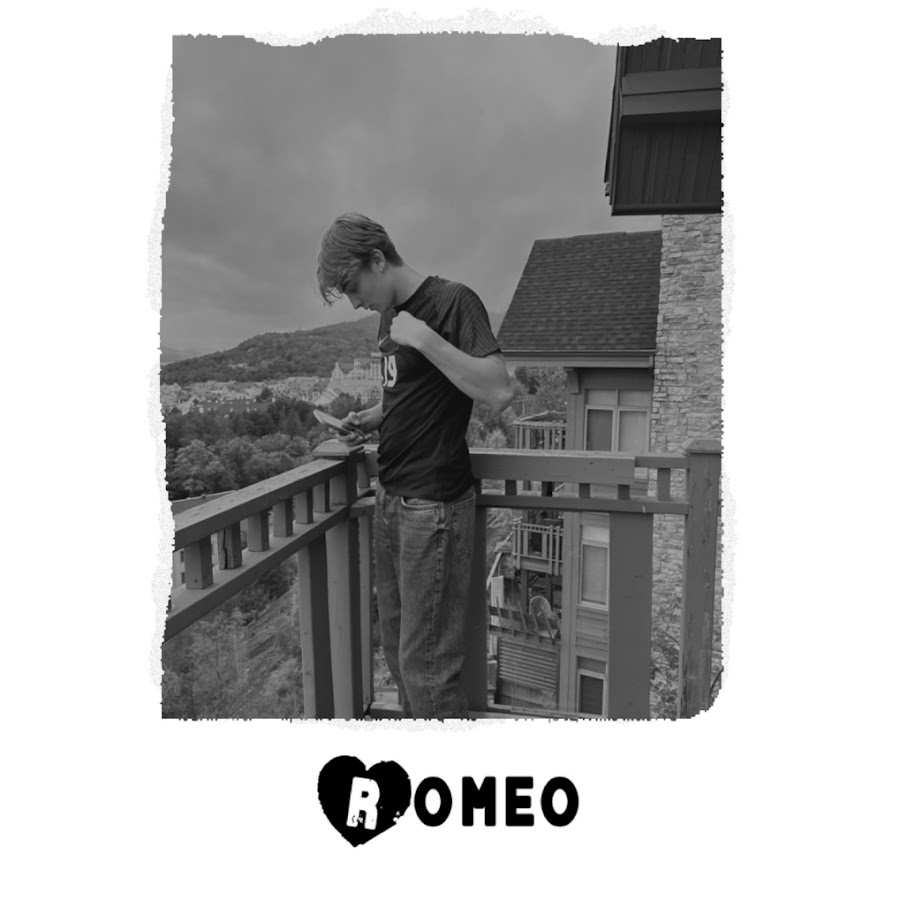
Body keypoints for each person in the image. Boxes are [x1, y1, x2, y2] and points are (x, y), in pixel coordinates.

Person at [316, 212, 514, 718]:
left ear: (377, 259)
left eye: (353, 287)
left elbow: (498, 389)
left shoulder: (453, 302)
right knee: (399, 654)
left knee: (427, 670)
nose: (355, 302)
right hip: (391, 499)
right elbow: (409, 393)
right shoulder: (390, 317)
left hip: (434, 506)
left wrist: (424, 337)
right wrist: (372, 419)